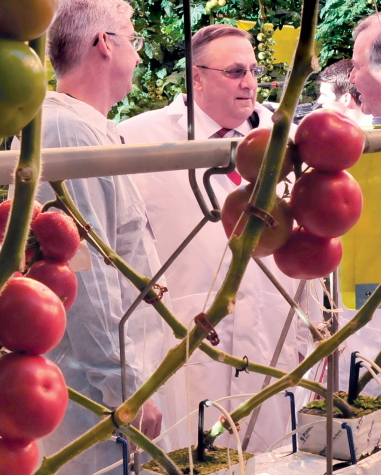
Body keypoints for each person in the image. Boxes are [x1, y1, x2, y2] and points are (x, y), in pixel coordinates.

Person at [118, 24, 303, 454]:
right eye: (235, 71)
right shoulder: (140, 139)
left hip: (275, 337)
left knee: (278, 457)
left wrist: (307, 337)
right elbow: (126, 252)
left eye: (254, 70)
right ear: (196, 77)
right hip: (189, 340)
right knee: (199, 457)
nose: (250, 82)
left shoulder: (289, 139)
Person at [24, 0, 165, 474]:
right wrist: (124, 387)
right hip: (95, 394)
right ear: (105, 43)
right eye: (134, 40)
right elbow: (86, 273)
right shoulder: (68, 132)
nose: (138, 52)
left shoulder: (89, 127)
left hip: (106, 379)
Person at [316, 59, 370, 126]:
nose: (319, 101)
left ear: (346, 99)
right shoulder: (379, 127)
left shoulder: (374, 134)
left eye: (325, 95)